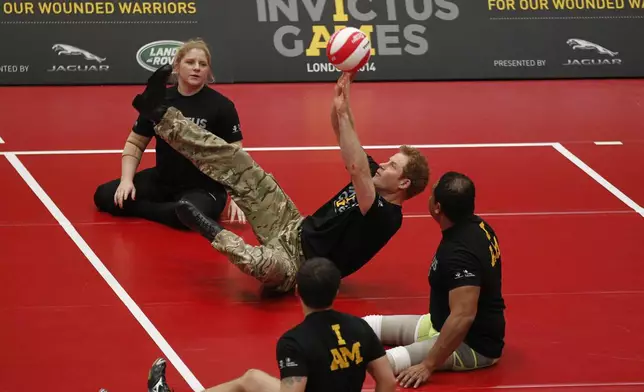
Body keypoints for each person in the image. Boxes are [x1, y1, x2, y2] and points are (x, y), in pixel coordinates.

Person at [129, 65, 430, 293]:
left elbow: (356, 167)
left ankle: (207, 227)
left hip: (299, 269)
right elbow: (343, 136)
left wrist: (345, 116)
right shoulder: (375, 177)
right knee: (239, 163)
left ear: (404, 184)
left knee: (260, 264)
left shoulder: (386, 215)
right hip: (291, 225)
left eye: (392, 166)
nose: (382, 166)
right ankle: (160, 113)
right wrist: (342, 104)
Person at [146, 257, 397, 392]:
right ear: (336, 290)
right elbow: (387, 381)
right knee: (252, 379)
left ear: (297, 291)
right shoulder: (360, 328)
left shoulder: (295, 342)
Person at [362, 172, 506, 388]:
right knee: (366, 325)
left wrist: (428, 365)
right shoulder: (478, 225)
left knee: (386, 363)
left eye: (431, 195)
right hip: (438, 324)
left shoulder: (459, 255)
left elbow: (463, 316)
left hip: (470, 344)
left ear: (437, 208)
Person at [93, 38, 247, 230]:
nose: (197, 68)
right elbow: (135, 143)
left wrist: (239, 197)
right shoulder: (159, 101)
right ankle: (167, 209)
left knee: (190, 214)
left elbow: (236, 155)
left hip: (204, 187)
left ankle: (163, 210)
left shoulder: (222, 106)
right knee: (105, 195)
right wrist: (126, 181)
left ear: (208, 71)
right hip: (163, 180)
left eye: (202, 64)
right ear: (177, 66)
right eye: (190, 62)